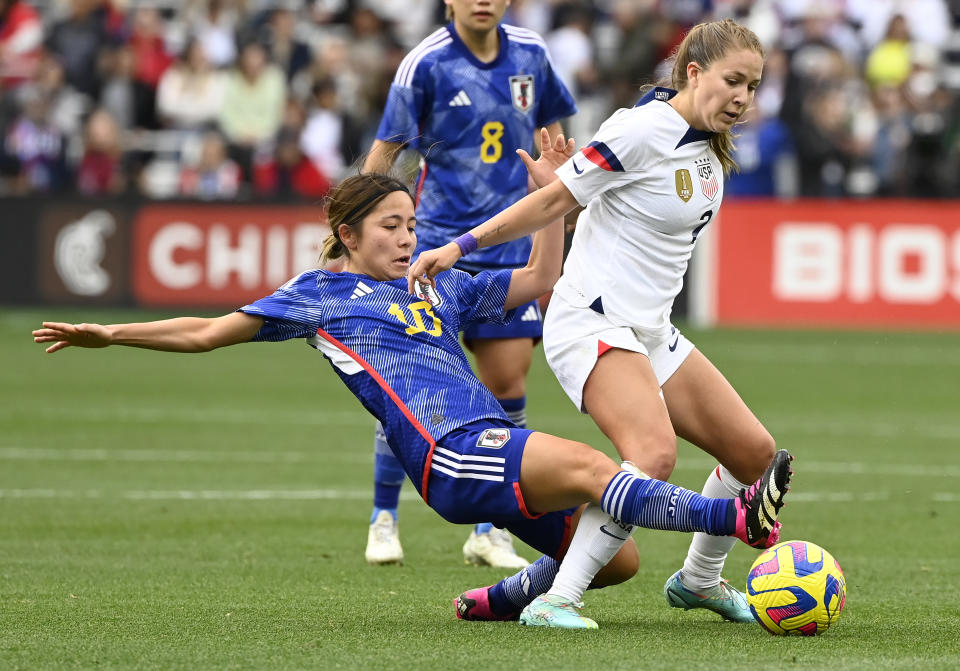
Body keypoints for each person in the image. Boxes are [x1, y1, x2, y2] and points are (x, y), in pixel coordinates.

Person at [33, 152, 792, 631]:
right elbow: (205, 331)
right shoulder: (319, 296)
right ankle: (731, 515)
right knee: (602, 470)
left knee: (614, 561)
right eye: (390, 227)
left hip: (486, 450)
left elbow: (536, 281)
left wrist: (552, 205)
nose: (406, 238)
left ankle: (497, 601)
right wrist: (112, 333)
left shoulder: (437, 287)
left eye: (410, 224)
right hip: (450, 455)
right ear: (348, 233)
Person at [411, 18, 781, 625]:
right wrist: (459, 247)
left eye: (753, 85)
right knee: (651, 455)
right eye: (732, 81)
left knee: (755, 457)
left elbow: (611, 217)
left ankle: (699, 580)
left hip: (651, 332)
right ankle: (557, 599)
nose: (742, 97)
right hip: (591, 322)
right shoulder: (642, 129)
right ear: (693, 72)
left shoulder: (709, 143)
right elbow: (555, 201)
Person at [359, 0, 577, 568]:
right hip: (435, 250)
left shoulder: (531, 53)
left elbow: (554, 137)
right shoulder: (425, 64)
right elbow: (388, 151)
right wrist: (357, 232)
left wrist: (564, 194)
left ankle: (490, 528)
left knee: (506, 385)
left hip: (511, 246)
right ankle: (384, 518)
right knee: (418, 391)